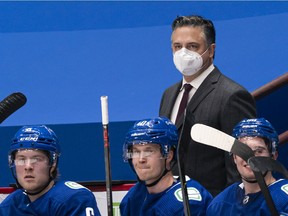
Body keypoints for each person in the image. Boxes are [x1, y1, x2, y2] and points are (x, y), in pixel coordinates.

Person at [159, 15, 257, 196]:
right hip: (172, 203)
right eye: (177, 46)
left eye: (192, 46)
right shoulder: (169, 94)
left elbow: (239, 166)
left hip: (212, 204)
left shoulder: (232, 95)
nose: (183, 53)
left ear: (211, 50)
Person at [120, 116, 213, 215]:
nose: (141, 159)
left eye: (149, 151)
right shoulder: (133, 197)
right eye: (136, 152)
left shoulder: (187, 203)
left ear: (168, 155)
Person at [0, 125, 101, 216]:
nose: (28, 166)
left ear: (53, 163)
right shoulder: (10, 205)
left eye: (36, 159)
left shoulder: (74, 199)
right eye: (21, 160)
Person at [206, 118, 288, 215]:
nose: (250, 158)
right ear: (234, 158)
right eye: (242, 151)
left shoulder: (284, 199)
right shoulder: (219, 205)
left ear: (273, 156)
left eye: (259, 151)